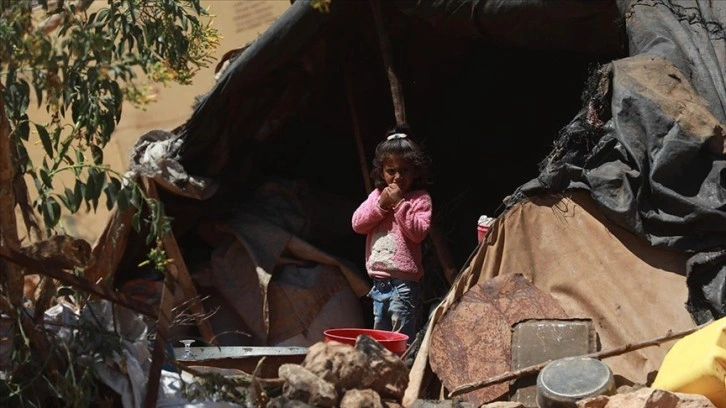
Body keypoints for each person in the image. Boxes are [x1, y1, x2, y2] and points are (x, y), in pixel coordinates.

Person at [351, 124, 432, 345]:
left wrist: (399, 204)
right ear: (381, 172)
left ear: (415, 171)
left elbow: (418, 233)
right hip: (379, 283)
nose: (397, 177)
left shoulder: (419, 199)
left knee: (401, 336)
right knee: (380, 334)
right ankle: (383, 374)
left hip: (403, 284)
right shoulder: (377, 196)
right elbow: (357, 224)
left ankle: (404, 374)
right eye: (391, 171)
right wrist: (381, 205)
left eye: (404, 170)